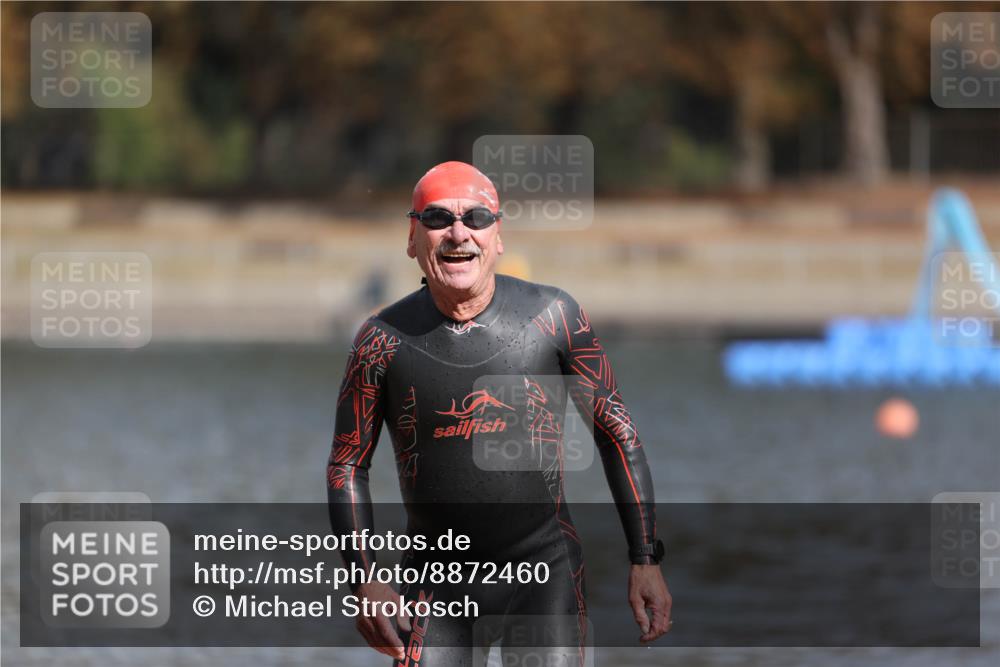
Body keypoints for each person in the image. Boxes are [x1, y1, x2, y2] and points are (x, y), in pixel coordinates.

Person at [327, 161, 671, 665]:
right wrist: (364, 578)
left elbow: (616, 433)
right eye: (438, 218)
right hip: (434, 580)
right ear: (412, 237)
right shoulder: (381, 340)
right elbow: (347, 465)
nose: (458, 233)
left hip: (543, 572)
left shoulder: (553, 317)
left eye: (477, 218)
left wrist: (645, 559)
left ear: (498, 235)